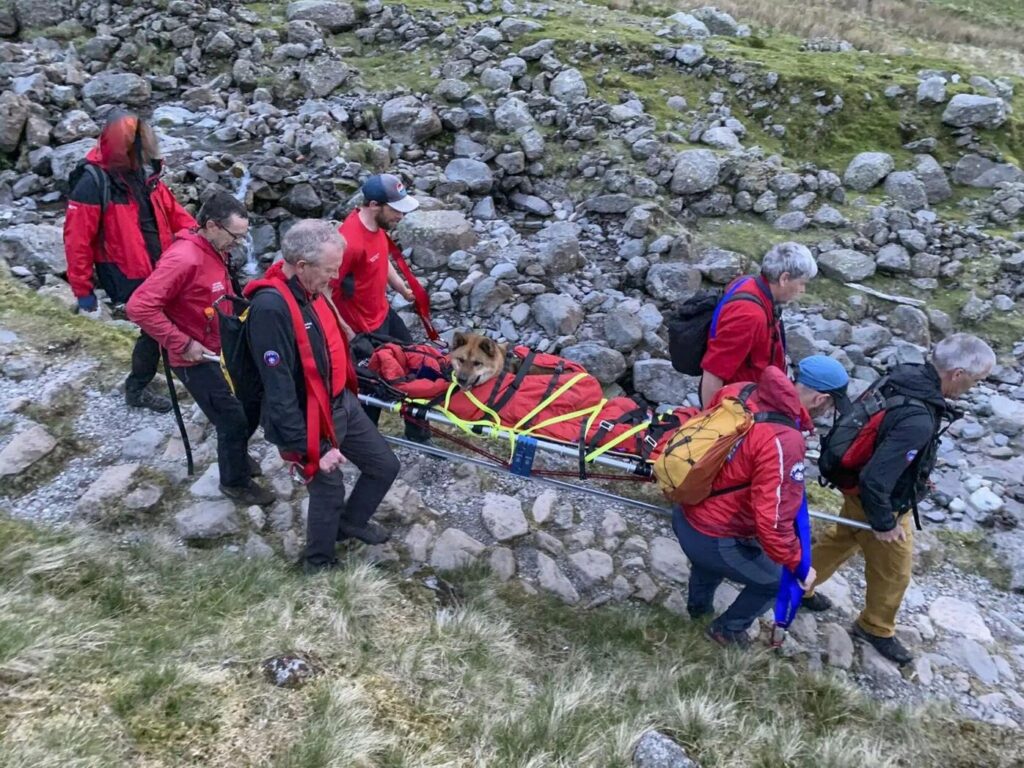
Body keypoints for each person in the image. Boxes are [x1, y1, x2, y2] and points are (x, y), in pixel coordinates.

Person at [803, 334, 995, 665]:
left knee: (842, 540)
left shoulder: (903, 375)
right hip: (881, 501)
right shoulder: (919, 417)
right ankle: (875, 627)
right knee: (895, 572)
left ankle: (797, 586)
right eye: (975, 381)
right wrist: (885, 523)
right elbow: (876, 478)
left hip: (854, 487)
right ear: (957, 374)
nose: (973, 388)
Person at [246, 219, 401, 573]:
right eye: (330, 271)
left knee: (384, 466)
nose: (335, 278)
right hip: (311, 416)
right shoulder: (272, 309)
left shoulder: (310, 290)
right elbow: (279, 388)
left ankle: (349, 524)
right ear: (302, 265)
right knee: (328, 493)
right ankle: (317, 563)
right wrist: (305, 448)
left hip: (340, 401)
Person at [672, 355, 850, 647]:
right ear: (821, 399)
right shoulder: (786, 440)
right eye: (831, 405)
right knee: (778, 580)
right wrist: (800, 566)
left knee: (710, 560)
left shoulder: (741, 390)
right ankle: (726, 630)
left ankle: (698, 608)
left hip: (687, 508)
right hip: (715, 533)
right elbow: (772, 521)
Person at [126, 192, 273, 506]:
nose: (240, 243)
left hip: (219, 345)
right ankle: (235, 483)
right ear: (211, 225)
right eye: (236, 236)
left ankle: (237, 456)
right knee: (231, 417)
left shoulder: (213, 248)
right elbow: (139, 307)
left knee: (248, 401)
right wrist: (182, 343)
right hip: (193, 356)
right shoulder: (184, 258)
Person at [64, 110, 198, 413]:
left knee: (167, 321)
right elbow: (77, 242)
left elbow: (171, 209)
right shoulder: (92, 182)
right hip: (127, 271)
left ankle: (165, 376)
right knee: (155, 327)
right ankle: (138, 388)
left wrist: (197, 238)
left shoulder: (144, 172)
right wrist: (82, 291)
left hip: (160, 262)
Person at [329, 173, 430, 441]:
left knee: (418, 367)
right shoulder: (347, 243)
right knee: (372, 386)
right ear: (374, 205)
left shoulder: (377, 228)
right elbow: (325, 292)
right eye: (396, 210)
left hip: (383, 314)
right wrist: (347, 332)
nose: (402, 216)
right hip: (362, 330)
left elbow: (382, 261)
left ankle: (418, 433)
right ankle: (365, 442)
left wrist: (402, 289)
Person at [700, 242, 818, 407]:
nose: (802, 290)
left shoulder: (748, 283)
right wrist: (710, 422)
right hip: (738, 405)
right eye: (801, 283)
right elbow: (714, 371)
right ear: (784, 278)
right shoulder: (749, 315)